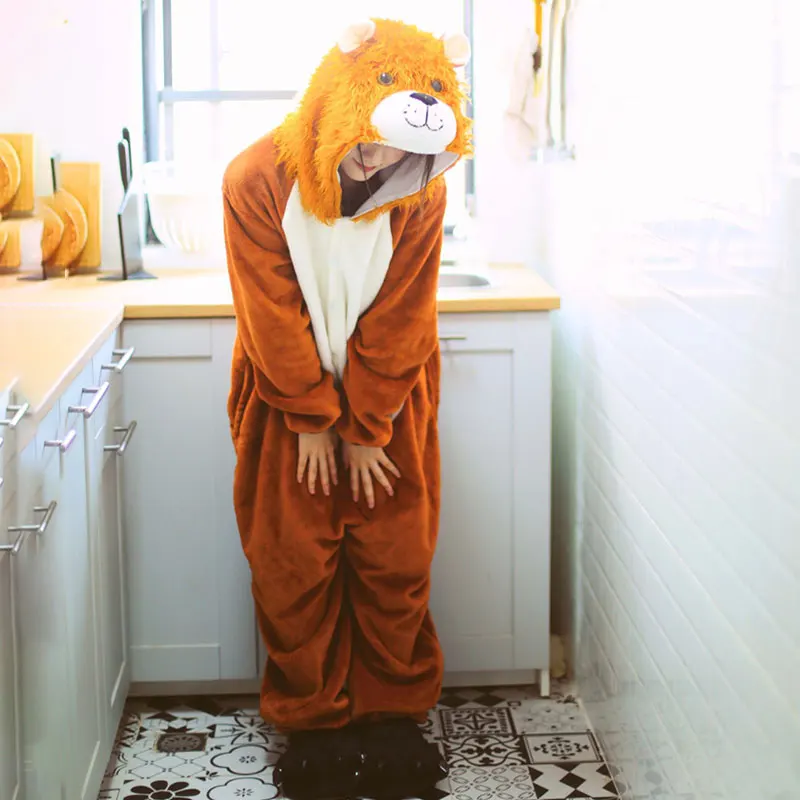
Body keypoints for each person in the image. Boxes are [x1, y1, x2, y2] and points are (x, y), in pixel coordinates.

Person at [222, 17, 472, 800]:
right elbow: (270, 313)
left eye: (396, 150)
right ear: (338, 103)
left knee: (396, 558)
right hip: (282, 401)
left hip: (390, 404)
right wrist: (311, 418)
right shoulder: (254, 179)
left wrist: (366, 426)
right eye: (368, 140)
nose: (378, 160)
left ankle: (392, 716)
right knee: (292, 564)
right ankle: (313, 723)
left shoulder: (423, 190)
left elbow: (404, 314)